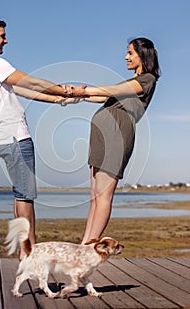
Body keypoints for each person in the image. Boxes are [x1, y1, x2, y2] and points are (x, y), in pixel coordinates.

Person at [0, 18, 85, 258]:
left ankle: (26, 252)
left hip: (6, 139)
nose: (6, 40)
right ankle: (31, 253)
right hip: (15, 139)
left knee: (20, 195)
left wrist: (63, 99)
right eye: (2, 35)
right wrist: (64, 89)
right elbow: (31, 82)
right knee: (26, 197)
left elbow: (27, 91)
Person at [67, 37, 160, 244]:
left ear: (142, 55)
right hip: (101, 137)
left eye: (130, 53)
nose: (126, 57)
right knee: (94, 196)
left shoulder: (147, 80)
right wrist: (74, 95)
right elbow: (102, 97)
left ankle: (90, 247)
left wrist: (84, 91)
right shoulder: (130, 81)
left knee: (103, 196)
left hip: (116, 136)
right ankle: (84, 246)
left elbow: (111, 91)